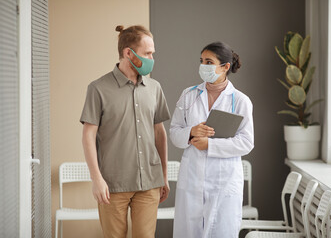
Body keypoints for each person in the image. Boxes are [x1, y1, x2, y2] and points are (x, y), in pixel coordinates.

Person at [80, 25, 170, 238]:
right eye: (147, 53)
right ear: (128, 53)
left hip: (149, 182)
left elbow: (160, 134)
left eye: (152, 53)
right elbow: (88, 136)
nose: (152, 58)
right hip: (112, 184)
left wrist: (164, 176)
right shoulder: (98, 88)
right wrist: (96, 179)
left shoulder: (155, 88)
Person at [170, 41, 254, 238]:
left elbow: (246, 142)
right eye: (201, 61)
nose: (203, 66)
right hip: (192, 177)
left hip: (224, 180)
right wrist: (191, 131)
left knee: (222, 231)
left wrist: (211, 145)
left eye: (209, 62)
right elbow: (174, 132)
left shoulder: (240, 100)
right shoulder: (188, 95)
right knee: (188, 232)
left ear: (225, 67)